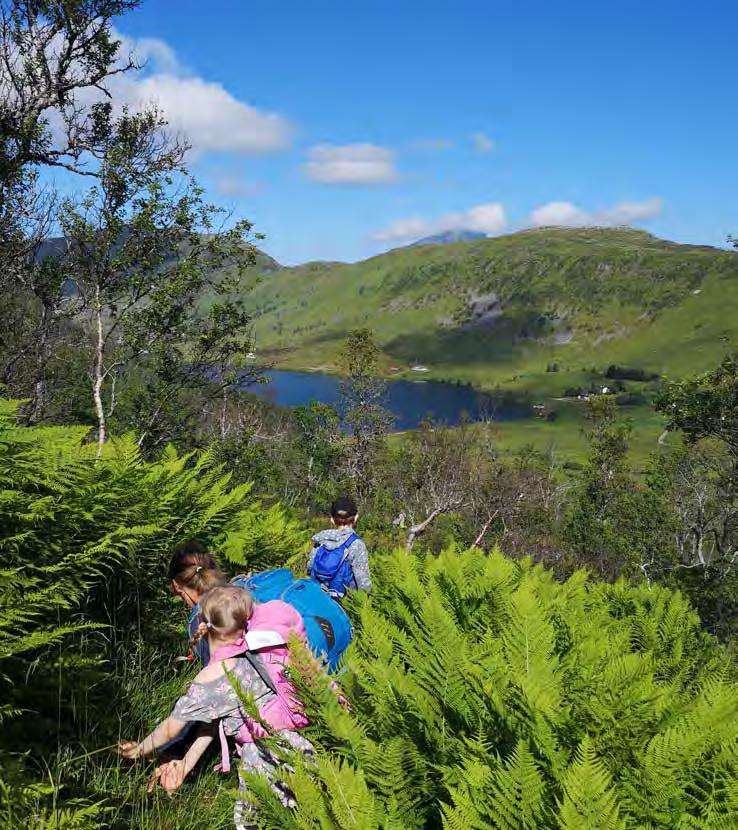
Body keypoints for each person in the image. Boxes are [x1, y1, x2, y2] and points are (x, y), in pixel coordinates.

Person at [118, 585, 314, 829]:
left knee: (252, 822)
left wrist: (136, 752)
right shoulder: (255, 648)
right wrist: (186, 765)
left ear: (204, 627)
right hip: (295, 744)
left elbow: (170, 729)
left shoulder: (213, 677)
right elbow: (214, 721)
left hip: (265, 759)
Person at [308, 496, 371, 600]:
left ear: (332, 520)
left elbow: (310, 566)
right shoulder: (356, 544)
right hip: (343, 601)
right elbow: (363, 582)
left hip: (317, 596)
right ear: (356, 518)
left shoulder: (321, 539)